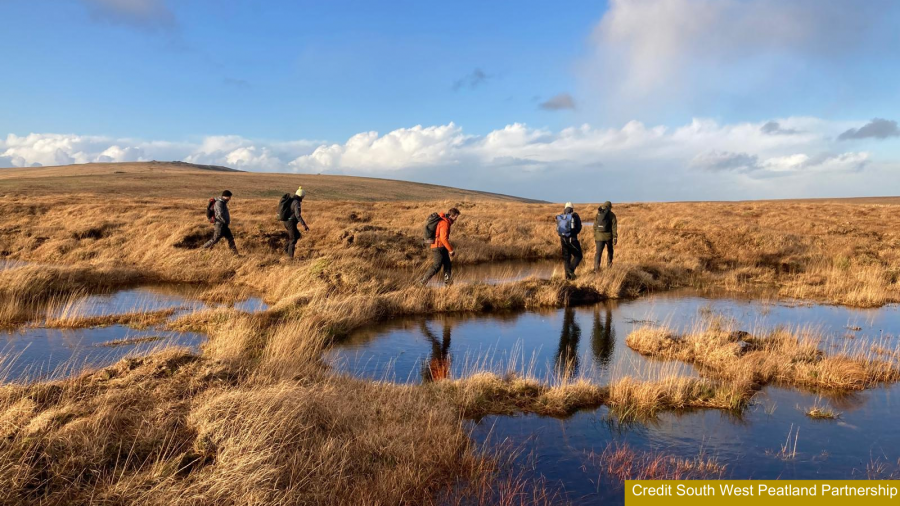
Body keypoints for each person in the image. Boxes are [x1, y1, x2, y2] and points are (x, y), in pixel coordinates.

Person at [420, 208, 461, 286]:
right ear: (453, 215)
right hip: (438, 246)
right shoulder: (445, 223)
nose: (456, 218)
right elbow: (443, 238)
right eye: (456, 216)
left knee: (447, 264)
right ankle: (422, 282)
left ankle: (448, 283)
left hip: (441, 246)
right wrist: (451, 250)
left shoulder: (446, 221)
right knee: (437, 266)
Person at [202, 190, 239, 254]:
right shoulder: (219, 203)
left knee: (230, 238)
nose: (230, 198)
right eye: (229, 197)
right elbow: (220, 214)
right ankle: (202, 249)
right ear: (226, 196)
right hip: (220, 224)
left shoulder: (223, 202)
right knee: (215, 239)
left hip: (224, 225)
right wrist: (225, 221)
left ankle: (235, 254)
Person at [555, 202, 583, 280]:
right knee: (578, 256)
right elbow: (578, 228)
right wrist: (574, 233)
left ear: (565, 208)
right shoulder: (574, 216)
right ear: (572, 208)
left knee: (567, 258)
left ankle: (567, 277)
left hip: (562, 239)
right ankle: (570, 270)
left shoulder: (561, 216)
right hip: (572, 239)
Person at [283, 186, 310, 258]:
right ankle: (289, 258)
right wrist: (304, 225)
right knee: (293, 239)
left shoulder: (291, 200)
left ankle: (285, 250)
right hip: (290, 223)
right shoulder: (296, 202)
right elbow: (298, 215)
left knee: (297, 235)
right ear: (302, 196)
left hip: (286, 222)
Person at [555, 307, 581, 378]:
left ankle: (570, 318)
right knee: (570, 333)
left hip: (566, 349)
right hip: (567, 349)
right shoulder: (562, 363)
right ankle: (570, 318)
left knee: (567, 332)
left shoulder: (561, 364)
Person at [593, 201, 618, 270]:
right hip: (608, 237)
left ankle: (596, 269)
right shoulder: (612, 215)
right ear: (610, 207)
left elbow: (595, 226)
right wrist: (615, 237)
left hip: (598, 237)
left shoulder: (598, 213)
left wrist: (595, 235)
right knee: (610, 251)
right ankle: (609, 266)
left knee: (598, 253)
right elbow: (614, 227)